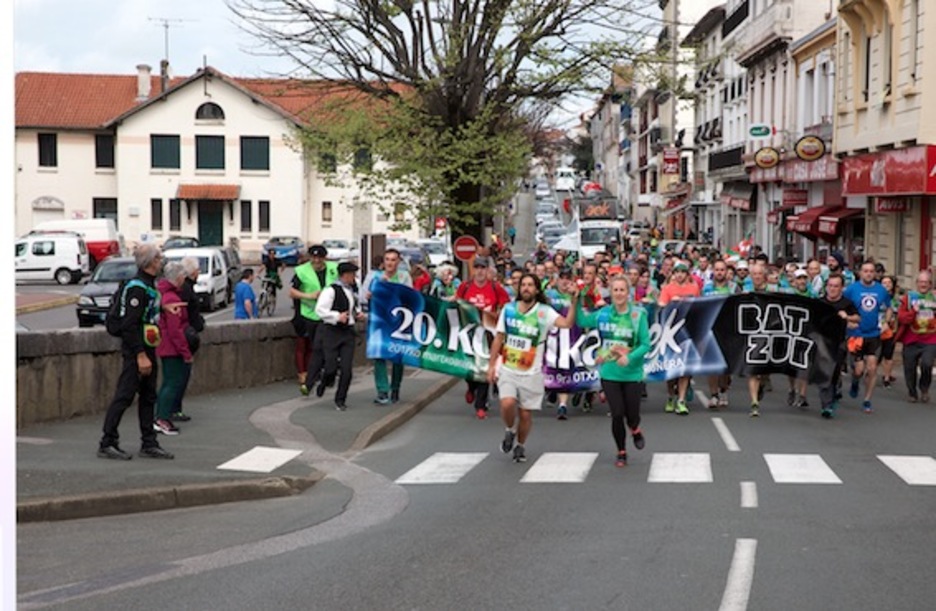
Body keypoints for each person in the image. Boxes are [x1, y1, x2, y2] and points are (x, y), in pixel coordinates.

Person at [488, 273, 578, 463]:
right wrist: (491, 365)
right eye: (523, 285)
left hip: (533, 372)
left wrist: (574, 301)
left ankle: (520, 445)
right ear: (519, 289)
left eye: (530, 285)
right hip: (508, 369)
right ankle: (510, 429)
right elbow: (499, 338)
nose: (526, 288)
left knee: (526, 414)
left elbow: (567, 323)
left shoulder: (544, 312)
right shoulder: (509, 309)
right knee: (507, 403)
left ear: (537, 290)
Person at [97, 243, 174, 460]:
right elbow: (129, 325)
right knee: (124, 396)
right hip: (137, 351)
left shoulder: (149, 285)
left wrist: (163, 308)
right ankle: (107, 441)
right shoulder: (138, 287)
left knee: (149, 397)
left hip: (147, 349)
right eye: (158, 258)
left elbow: (144, 314)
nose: (161, 261)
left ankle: (149, 442)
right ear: (150, 262)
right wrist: (140, 355)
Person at [577, 275, 651, 467]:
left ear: (628, 293)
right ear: (610, 292)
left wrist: (630, 357)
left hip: (632, 373)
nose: (619, 294)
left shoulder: (638, 315)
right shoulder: (603, 314)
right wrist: (576, 299)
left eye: (622, 290)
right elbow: (582, 321)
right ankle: (621, 451)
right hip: (609, 373)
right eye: (615, 290)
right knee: (617, 413)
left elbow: (645, 344)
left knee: (631, 414)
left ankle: (634, 428)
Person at [456, 255, 511, 419]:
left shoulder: (495, 287)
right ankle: (470, 387)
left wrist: (497, 316)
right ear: (473, 270)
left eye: (482, 268)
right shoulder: (465, 287)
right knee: (469, 367)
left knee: (485, 367)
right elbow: (456, 305)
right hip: (469, 334)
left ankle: (480, 406)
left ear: (487, 270)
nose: (479, 271)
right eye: (477, 268)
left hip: (488, 335)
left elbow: (505, 306)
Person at [312, 262, 366, 410]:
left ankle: (340, 400)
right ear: (345, 275)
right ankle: (324, 382)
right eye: (352, 275)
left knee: (347, 370)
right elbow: (320, 310)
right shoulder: (330, 290)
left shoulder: (352, 291)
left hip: (347, 332)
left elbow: (353, 307)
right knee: (330, 367)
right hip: (332, 332)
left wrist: (358, 314)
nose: (354, 278)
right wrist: (336, 316)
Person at [844, 261, 893, 413]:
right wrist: (847, 321)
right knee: (858, 370)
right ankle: (855, 381)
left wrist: (886, 323)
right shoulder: (851, 290)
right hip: (856, 335)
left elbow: (889, 308)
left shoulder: (881, 290)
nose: (869, 274)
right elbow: (842, 307)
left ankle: (867, 399)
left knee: (872, 368)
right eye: (865, 271)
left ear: (875, 274)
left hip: (874, 334)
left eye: (871, 271)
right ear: (860, 273)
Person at [290, 244, 340, 395]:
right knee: (308, 345)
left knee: (325, 346)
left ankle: (321, 373)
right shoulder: (302, 271)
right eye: (314, 257)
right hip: (308, 314)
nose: (316, 260)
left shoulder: (334, 268)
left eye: (320, 258)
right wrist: (310, 296)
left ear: (325, 257)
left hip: (329, 314)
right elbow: (292, 292)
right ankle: (305, 374)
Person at [366, 248, 413, 404]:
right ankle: (382, 391)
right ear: (383, 261)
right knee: (379, 355)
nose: (390, 263)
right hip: (379, 321)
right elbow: (362, 295)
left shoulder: (404, 277)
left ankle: (395, 388)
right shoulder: (374, 276)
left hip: (398, 323)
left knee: (397, 357)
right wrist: (370, 294)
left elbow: (409, 297)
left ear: (398, 262)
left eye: (393, 260)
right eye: (387, 259)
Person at [153, 261, 193, 435]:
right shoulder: (172, 298)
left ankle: (161, 416)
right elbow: (175, 329)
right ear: (178, 277)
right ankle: (161, 418)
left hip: (166, 345)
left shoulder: (164, 295)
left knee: (168, 382)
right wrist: (185, 352)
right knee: (172, 382)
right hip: (171, 347)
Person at [658, 260, 700, 415]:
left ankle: (681, 400)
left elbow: (699, 307)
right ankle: (671, 396)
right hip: (671, 333)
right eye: (677, 272)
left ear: (687, 274)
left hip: (688, 332)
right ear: (673, 274)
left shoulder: (694, 288)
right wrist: (670, 304)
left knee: (685, 367)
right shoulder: (668, 288)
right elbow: (661, 307)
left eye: (683, 272)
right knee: (671, 367)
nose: (680, 275)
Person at [818, 273, 860, 418]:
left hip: (839, 342)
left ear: (841, 288)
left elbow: (857, 318)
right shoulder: (820, 302)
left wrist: (847, 316)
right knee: (825, 372)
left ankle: (835, 391)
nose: (832, 289)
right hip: (822, 343)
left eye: (836, 286)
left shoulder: (846, 303)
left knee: (834, 372)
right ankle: (826, 405)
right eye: (830, 286)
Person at [170, 256, 205, 422]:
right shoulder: (186, 290)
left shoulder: (183, 289)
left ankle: (173, 408)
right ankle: (173, 410)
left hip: (184, 334)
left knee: (178, 376)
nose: (199, 273)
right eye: (197, 270)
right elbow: (189, 315)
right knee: (180, 376)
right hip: (185, 336)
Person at [544, 269, 580, 419]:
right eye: (562, 278)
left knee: (569, 369)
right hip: (552, 338)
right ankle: (558, 398)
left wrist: (577, 296)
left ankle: (564, 403)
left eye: (568, 278)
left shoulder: (577, 294)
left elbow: (590, 308)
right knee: (554, 368)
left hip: (572, 337)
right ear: (557, 280)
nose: (565, 281)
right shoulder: (550, 295)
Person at [897, 270, 936, 403]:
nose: (923, 284)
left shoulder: (934, 297)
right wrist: (913, 311)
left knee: (927, 364)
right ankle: (912, 392)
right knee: (909, 367)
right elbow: (902, 318)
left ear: (930, 284)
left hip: (930, 339)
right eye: (921, 282)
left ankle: (924, 388)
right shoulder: (909, 298)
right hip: (911, 338)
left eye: (926, 282)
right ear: (916, 283)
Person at [702, 259, 736, 409]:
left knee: (725, 367)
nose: (720, 272)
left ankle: (724, 389)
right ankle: (714, 395)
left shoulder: (734, 288)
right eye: (717, 270)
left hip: (728, 330)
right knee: (712, 365)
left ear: (726, 272)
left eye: (722, 270)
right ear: (713, 271)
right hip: (711, 329)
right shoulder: (706, 288)